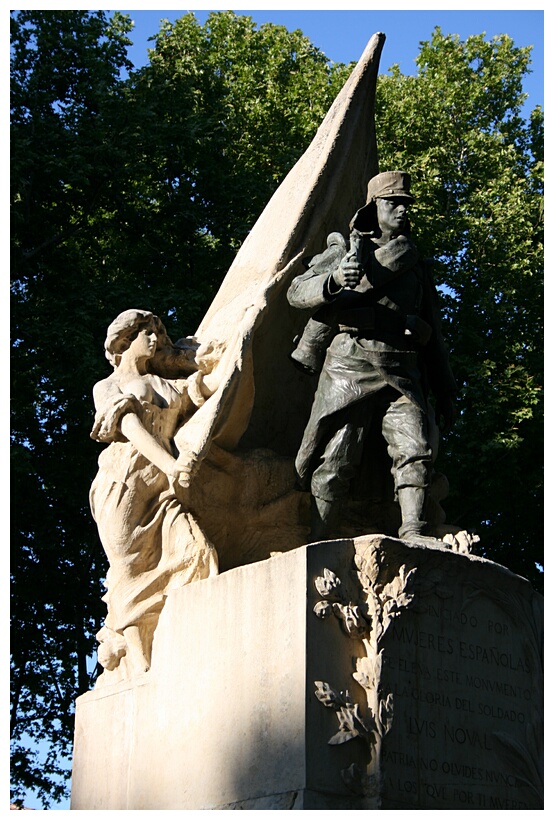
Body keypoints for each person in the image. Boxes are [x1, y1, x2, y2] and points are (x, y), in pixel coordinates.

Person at [287, 171, 457, 542]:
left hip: (402, 367)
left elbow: (435, 335)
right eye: (393, 202)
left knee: (415, 449)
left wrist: (445, 391)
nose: (402, 209)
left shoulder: (413, 259)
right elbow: (296, 292)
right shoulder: (343, 252)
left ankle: (414, 532)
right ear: (373, 207)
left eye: (406, 203)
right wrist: (333, 281)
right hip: (350, 362)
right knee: (336, 458)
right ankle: (318, 541)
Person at [90, 309, 218, 678]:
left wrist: (231, 353)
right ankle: (137, 657)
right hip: (124, 482)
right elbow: (127, 426)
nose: (155, 339)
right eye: (147, 332)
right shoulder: (108, 386)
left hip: (164, 486)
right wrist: (171, 465)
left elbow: (202, 389)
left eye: (157, 333)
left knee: (195, 551)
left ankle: (187, 643)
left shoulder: (165, 384)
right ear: (126, 339)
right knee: (128, 565)